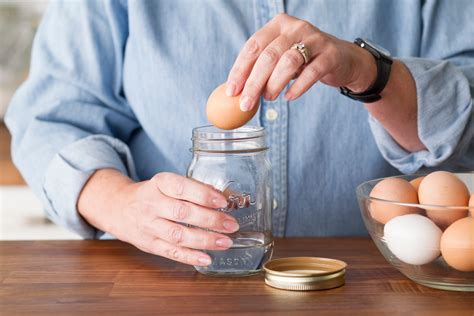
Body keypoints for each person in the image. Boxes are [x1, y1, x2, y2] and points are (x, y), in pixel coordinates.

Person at [6, 1, 474, 267]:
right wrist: (122, 203)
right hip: (163, 285)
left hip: (370, 282)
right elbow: (51, 117)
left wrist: (373, 73)